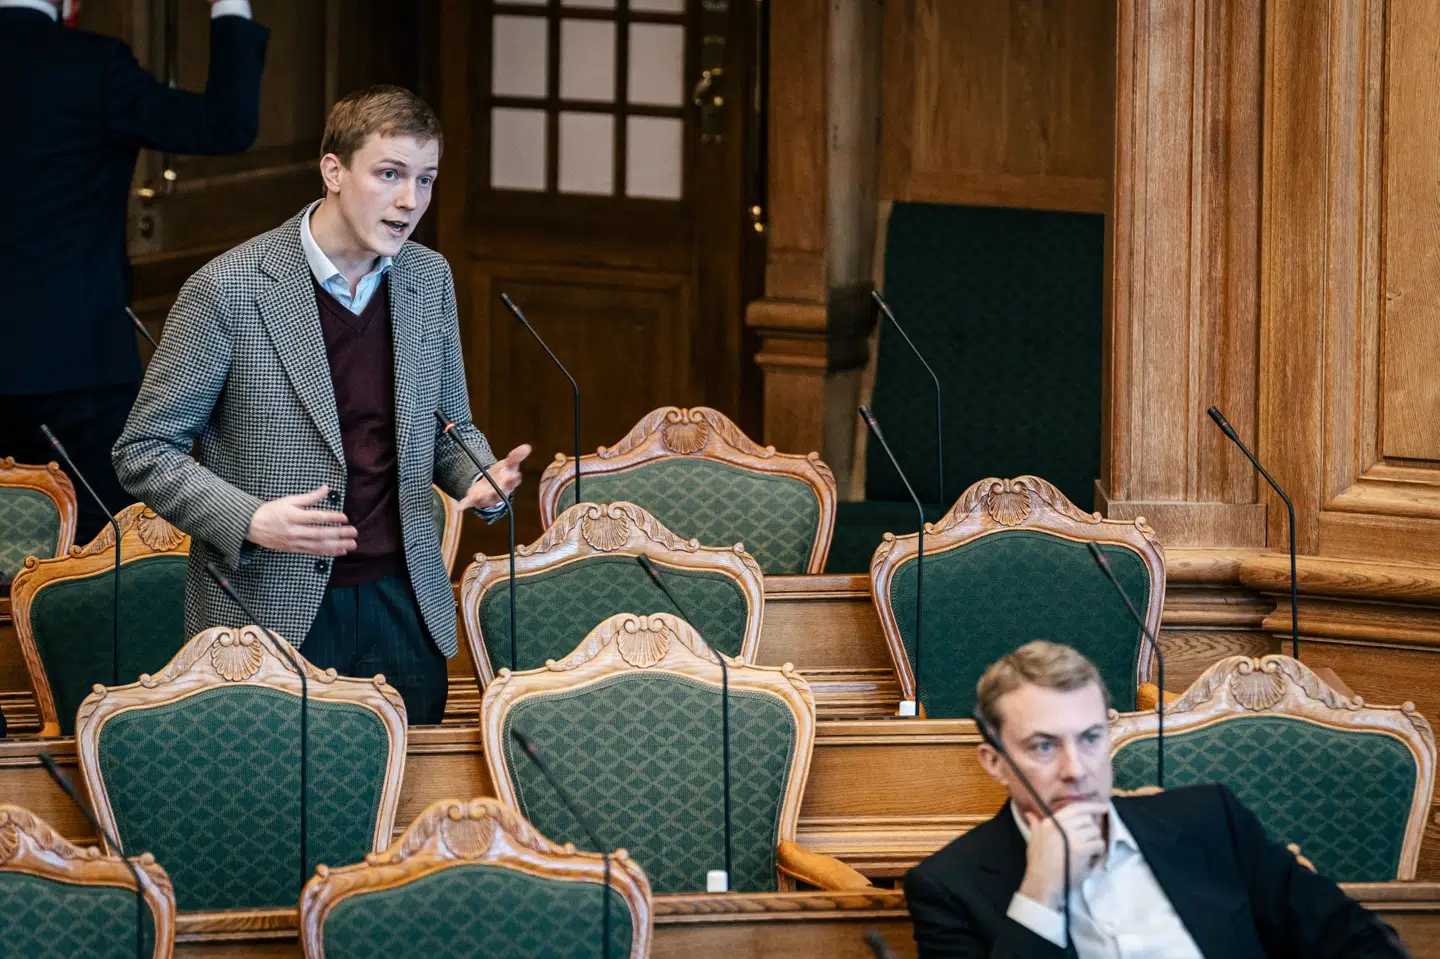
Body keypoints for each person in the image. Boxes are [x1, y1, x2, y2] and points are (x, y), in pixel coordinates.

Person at [113, 85, 530, 725]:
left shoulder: (428, 278)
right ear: (333, 171)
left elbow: (446, 427)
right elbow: (143, 451)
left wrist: (478, 473)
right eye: (389, 174)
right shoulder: (229, 289)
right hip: (267, 609)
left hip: (407, 606)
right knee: (271, 816)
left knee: (404, 816)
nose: (409, 201)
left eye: (425, 179)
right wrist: (250, 518)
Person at [904, 641, 1410, 958]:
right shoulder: (949, 886)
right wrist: (1040, 894)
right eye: (1043, 746)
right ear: (993, 761)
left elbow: (1353, 938)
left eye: (1090, 738)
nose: (1075, 770)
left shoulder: (1209, 821)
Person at [0, 0, 268, 544]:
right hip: (76, 365)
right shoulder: (90, 67)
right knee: (115, 555)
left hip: (68, 362)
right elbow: (226, 123)